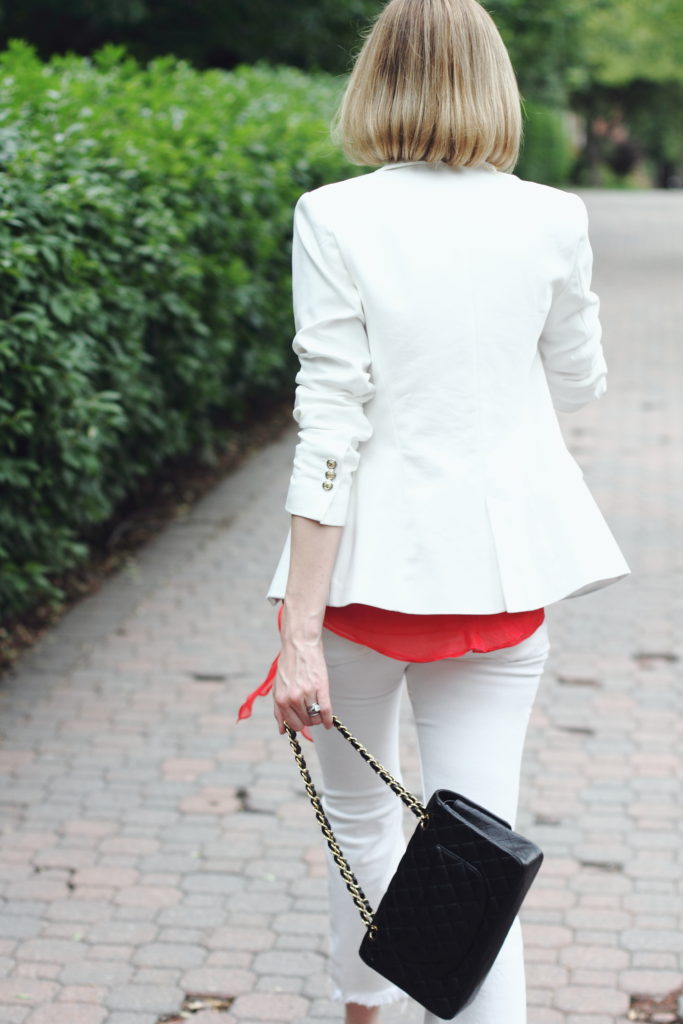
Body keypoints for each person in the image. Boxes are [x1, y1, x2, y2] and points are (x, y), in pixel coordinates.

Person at [238, 0, 630, 1020]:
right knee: (475, 853)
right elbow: (580, 378)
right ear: (493, 83)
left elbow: (329, 428)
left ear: (375, 80)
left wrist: (301, 635)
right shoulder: (553, 217)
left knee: (359, 823)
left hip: (360, 591)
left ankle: (360, 1007)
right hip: (495, 589)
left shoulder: (334, 215)